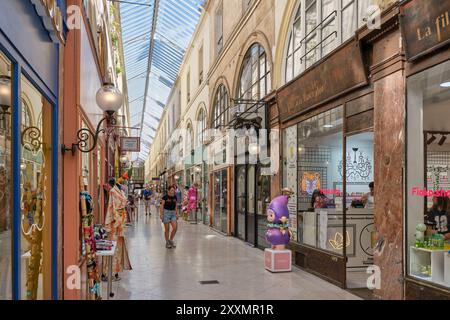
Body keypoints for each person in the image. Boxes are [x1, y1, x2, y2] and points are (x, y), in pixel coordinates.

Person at [103, 178, 132, 281]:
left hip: (115, 225)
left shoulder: (113, 192)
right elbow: (118, 207)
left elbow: (114, 208)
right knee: (115, 248)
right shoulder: (117, 192)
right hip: (118, 225)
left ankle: (111, 272)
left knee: (114, 248)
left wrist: (112, 223)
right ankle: (112, 272)